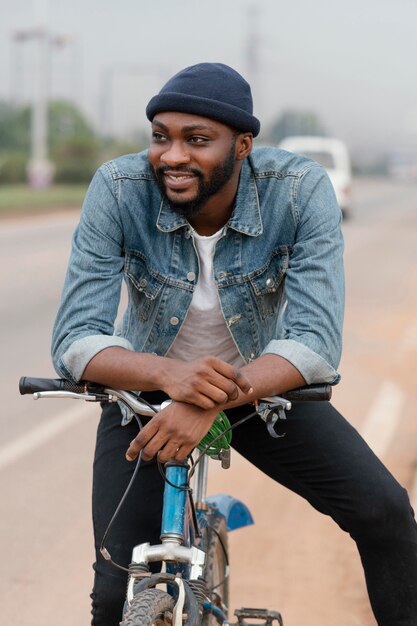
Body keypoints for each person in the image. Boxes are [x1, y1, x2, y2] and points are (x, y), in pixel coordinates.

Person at [51, 62, 417, 626]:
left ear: (243, 145)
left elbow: (314, 342)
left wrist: (208, 399)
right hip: (144, 400)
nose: (172, 155)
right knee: (114, 596)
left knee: (386, 512)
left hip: (260, 393)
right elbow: (76, 338)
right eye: (161, 137)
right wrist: (168, 377)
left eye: (197, 140)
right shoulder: (119, 189)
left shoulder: (299, 190)